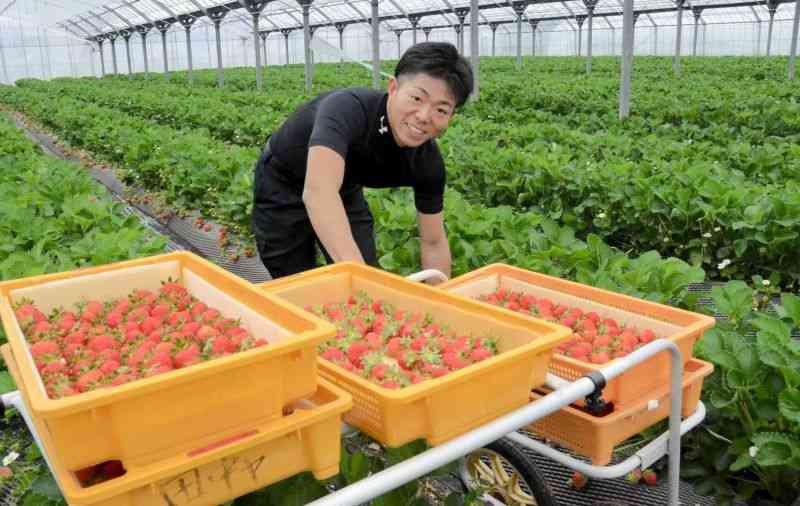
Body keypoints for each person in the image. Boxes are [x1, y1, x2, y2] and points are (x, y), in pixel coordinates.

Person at [251, 42, 473, 283]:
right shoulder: (346, 109)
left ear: (451, 116)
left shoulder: (428, 164)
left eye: (441, 110)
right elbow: (319, 194)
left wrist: (442, 300)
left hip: (344, 186)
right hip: (284, 181)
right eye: (417, 98)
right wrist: (362, 281)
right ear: (393, 88)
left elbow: (433, 241)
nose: (423, 116)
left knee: (367, 267)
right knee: (297, 279)